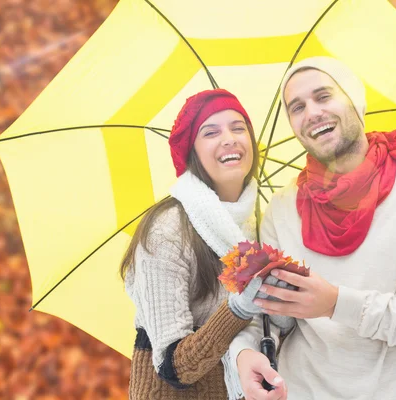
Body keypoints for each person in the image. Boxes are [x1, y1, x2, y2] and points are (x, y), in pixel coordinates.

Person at [230, 56, 396, 400]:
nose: (312, 112)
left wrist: (335, 304)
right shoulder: (281, 210)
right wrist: (244, 353)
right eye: (296, 107)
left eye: (324, 96)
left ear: (356, 102)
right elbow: (268, 315)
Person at [119, 88, 290, 399]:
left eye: (238, 128)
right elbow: (173, 367)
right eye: (211, 132)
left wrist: (282, 307)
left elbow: (268, 326)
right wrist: (237, 308)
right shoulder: (167, 230)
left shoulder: (262, 224)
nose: (229, 138)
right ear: (192, 152)